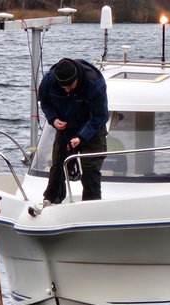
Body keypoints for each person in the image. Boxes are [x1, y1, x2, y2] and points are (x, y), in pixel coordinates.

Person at [38, 58, 109, 205]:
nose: (67, 89)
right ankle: (51, 200)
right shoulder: (49, 81)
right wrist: (52, 118)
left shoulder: (94, 84)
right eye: (63, 86)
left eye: (70, 86)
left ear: (77, 78)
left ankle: (91, 205)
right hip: (65, 127)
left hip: (92, 128)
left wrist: (81, 137)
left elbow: (100, 116)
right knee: (58, 165)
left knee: (90, 169)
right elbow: (44, 101)